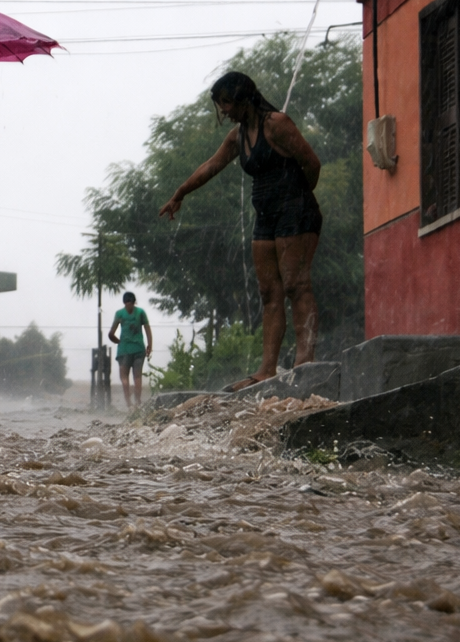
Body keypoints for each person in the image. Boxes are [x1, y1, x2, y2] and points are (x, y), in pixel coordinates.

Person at [158, 71, 322, 391]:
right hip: (266, 218)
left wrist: (299, 198)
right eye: (221, 106)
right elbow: (211, 166)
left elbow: (312, 163)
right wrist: (180, 193)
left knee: (295, 284)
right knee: (268, 292)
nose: (224, 111)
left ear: (244, 98)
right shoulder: (237, 136)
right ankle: (266, 369)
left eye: (227, 103)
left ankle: (306, 362)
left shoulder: (276, 124)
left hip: (296, 212)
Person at [108, 291, 153, 408]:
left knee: (124, 377)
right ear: (134, 302)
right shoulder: (141, 313)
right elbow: (148, 330)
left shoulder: (120, 314)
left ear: (124, 302)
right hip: (139, 348)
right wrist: (150, 345)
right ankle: (138, 402)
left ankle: (129, 404)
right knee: (137, 376)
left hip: (124, 350)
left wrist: (119, 342)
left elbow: (111, 334)